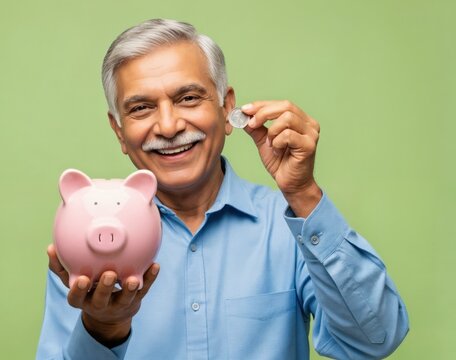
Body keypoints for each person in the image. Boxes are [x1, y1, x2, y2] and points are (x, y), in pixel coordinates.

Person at [37, 18, 409, 359]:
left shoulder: (289, 226)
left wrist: (304, 193)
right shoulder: (85, 242)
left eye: (188, 98)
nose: (168, 126)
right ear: (119, 131)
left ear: (226, 107)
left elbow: (375, 338)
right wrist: (103, 329)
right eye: (141, 108)